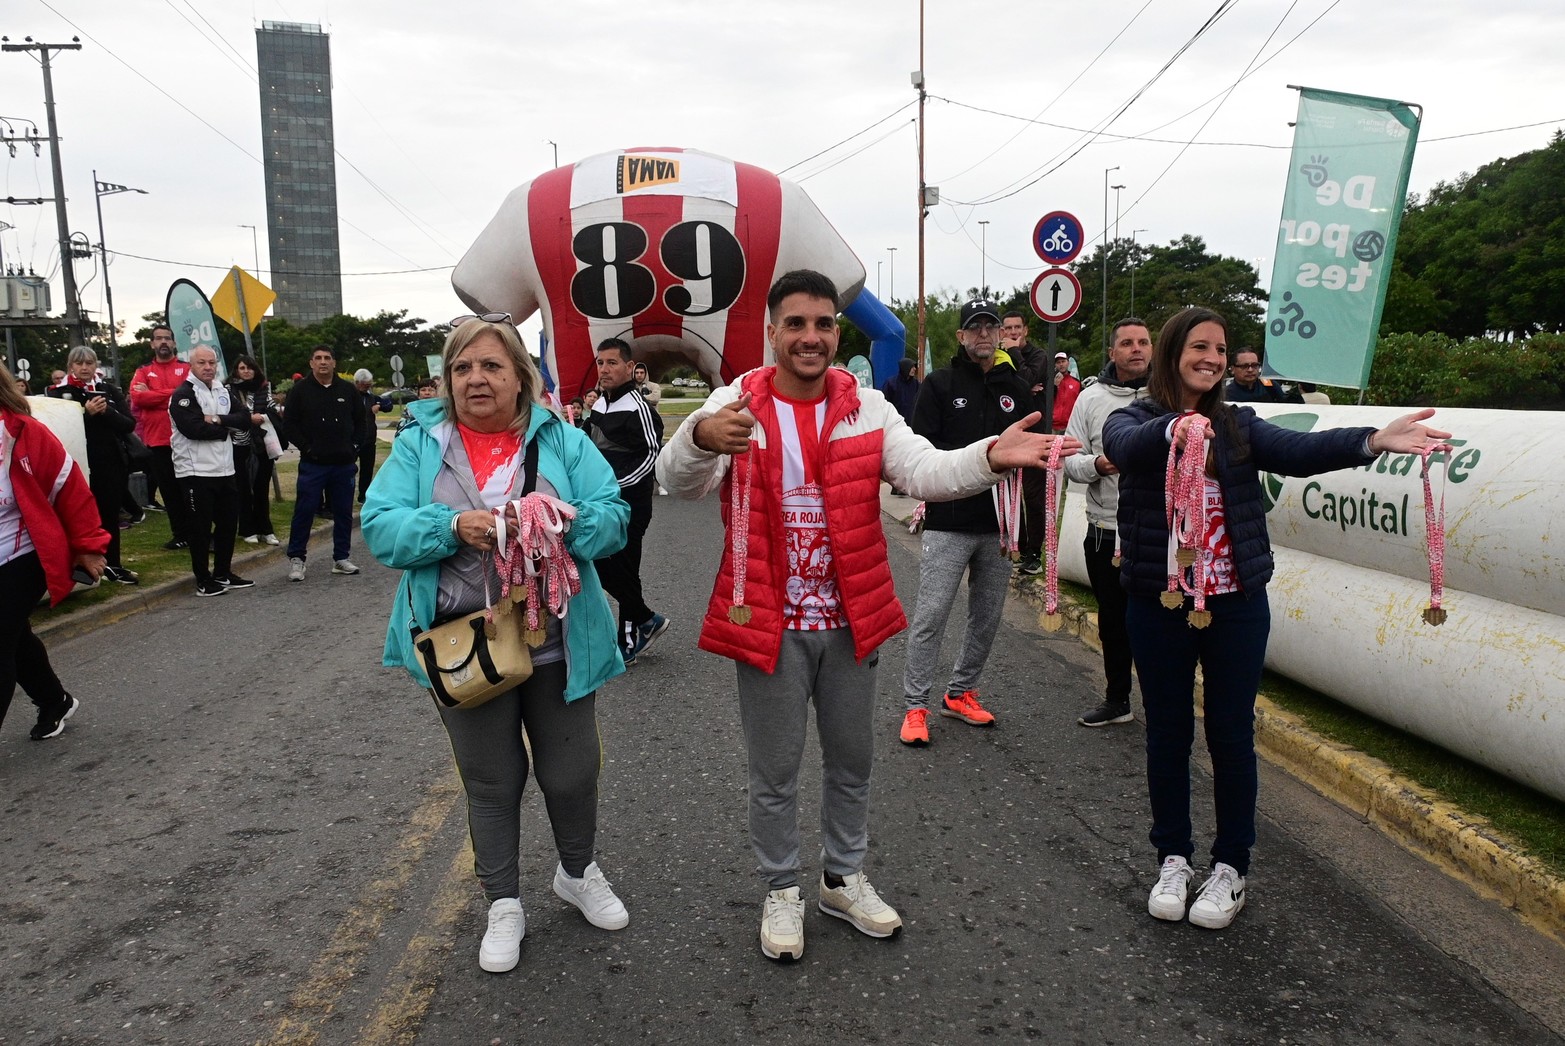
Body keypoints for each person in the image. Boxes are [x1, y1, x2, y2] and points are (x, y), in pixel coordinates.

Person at [656, 270, 1079, 962]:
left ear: (836, 333)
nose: (811, 337)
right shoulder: (736, 402)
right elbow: (679, 483)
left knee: (852, 762)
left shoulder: (868, 408)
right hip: (767, 618)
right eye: (795, 323)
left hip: (851, 618)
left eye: (823, 324)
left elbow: (926, 473)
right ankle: (781, 888)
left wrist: (990, 457)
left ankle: (841, 878)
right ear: (771, 332)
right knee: (775, 771)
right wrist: (700, 434)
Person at [1102, 306, 1450, 931]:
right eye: (1199, 347)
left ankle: (1231, 866)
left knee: (1231, 735)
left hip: (1235, 605)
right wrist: (1178, 431)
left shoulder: (1238, 424)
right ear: (1171, 352)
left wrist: (1372, 440)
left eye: (1221, 348)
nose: (1212, 358)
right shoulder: (1137, 418)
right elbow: (1124, 448)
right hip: (1161, 603)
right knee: (1167, 734)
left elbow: (1301, 450)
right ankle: (1174, 858)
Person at [362, 315, 632, 974]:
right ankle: (503, 902)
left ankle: (577, 872)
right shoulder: (420, 446)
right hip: (465, 646)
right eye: (461, 368)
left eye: (490, 366)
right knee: (492, 780)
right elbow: (380, 526)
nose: (475, 379)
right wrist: (452, 525)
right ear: (447, 381)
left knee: (570, 775)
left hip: (557, 640)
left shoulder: (563, 440)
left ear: (520, 377)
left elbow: (613, 518)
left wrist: (560, 521)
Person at [898, 297, 1041, 746]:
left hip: (1000, 525)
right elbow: (922, 450)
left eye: (990, 327)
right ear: (961, 336)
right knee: (932, 615)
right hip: (949, 521)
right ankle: (915, 706)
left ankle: (960, 693)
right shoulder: (939, 384)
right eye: (974, 327)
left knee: (987, 616)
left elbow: (1035, 448)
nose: (983, 334)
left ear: (1002, 334)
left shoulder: (1015, 388)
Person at [1, 361, 110, 740]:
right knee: (14, 638)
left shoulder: (23, 432)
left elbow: (70, 489)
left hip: (20, 555)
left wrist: (88, 547)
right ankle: (54, 700)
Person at [1062, 318, 1152, 728]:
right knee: (1113, 621)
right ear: (1112, 352)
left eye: (1144, 342)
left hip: (1157, 532)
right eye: (1127, 343)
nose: (1137, 349)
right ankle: (1118, 699)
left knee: (1156, 624)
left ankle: (1162, 703)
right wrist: (1097, 465)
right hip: (1105, 530)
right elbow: (1069, 459)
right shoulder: (1090, 398)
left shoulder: (1170, 392)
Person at [583, 338, 668, 665]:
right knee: (600, 562)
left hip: (630, 504)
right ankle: (646, 620)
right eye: (601, 363)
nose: (604, 369)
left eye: (612, 363)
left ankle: (631, 638)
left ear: (630, 368)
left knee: (624, 569)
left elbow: (651, 456)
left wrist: (613, 487)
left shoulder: (639, 407)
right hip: (602, 503)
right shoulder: (601, 403)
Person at [46, 347, 140, 584]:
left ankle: (113, 564)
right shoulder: (57, 392)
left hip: (109, 461)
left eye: (89, 363)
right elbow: (56, 429)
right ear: (71, 366)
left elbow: (129, 424)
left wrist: (106, 411)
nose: (84, 368)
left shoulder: (108, 390)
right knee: (80, 517)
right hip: (76, 462)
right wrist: (86, 414)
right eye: (79, 364)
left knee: (109, 515)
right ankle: (81, 565)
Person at [170, 346, 257, 597]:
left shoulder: (223, 390)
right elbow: (193, 429)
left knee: (229, 524)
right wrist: (224, 430)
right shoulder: (183, 394)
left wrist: (217, 419)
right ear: (191, 365)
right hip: (195, 472)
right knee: (199, 528)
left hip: (225, 469)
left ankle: (223, 572)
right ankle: (203, 578)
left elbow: (244, 418)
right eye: (202, 363)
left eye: (212, 362)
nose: (208, 367)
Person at [283, 345, 368, 581]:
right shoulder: (300, 391)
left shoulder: (348, 390)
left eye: (327, 358)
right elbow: (289, 424)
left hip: (343, 464)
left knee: (343, 512)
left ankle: (341, 558)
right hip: (313, 464)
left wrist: (353, 448)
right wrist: (307, 447)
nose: (323, 362)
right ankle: (297, 559)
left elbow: (361, 424)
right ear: (311, 363)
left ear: (334, 363)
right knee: (305, 510)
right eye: (318, 358)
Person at [130, 324, 194, 550]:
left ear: (174, 343)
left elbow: (192, 395)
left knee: (191, 490)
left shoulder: (187, 368)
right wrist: (175, 393)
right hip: (158, 442)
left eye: (167, 338)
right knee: (169, 491)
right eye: (159, 339)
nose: (163, 342)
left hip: (187, 439)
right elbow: (137, 399)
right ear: (152, 344)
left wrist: (154, 395)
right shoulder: (144, 370)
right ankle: (180, 534)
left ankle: (198, 532)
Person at [1000, 311, 1052, 576]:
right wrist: (1022, 387)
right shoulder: (999, 357)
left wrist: (1016, 357)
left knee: (1033, 496)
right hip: (1007, 434)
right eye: (1007, 328)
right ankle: (1015, 547)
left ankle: (1034, 553)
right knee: (1007, 494)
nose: (1012, 332)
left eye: (1017, 327)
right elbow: (1008, 388)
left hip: (1034, 435)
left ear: (1025, 330)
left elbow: (1028, 379)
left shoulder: (1038, 355)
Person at [228, 355, 283, 545]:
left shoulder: (263, 386)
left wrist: (267, 413)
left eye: (249, 368)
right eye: (242, 368)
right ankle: (247, 529)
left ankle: (265, 529)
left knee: (261, 487)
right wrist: (248, 418)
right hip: (239, 443)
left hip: (262, 442)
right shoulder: (229, 389)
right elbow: (229, 414)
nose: (246, 371)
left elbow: (271, 407)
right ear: (236, 370)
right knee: (243, 488)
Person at [354, 369, 393, 503]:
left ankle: (363, 495)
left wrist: (380, 406)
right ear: (358, 383)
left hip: (369, 439)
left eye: (369, 385)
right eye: (365, 385)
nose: (368, 387)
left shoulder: (371, 397)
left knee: (367, 469)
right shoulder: (351, 396)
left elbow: (389, 405)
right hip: (352, 439)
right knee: (349, 469)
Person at [1224, 346, 1304, 404]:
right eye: (1245, 366)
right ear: (1233, 369)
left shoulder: (1270, 386)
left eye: (1254, 365)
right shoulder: (1225, 395)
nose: (1250, 370)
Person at [1052, 351, 1083, 431]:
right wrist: (1055, 386)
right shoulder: (1050, 382)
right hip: (1053, 426)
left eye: (1063, 361)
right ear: (1055, 365)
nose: (1061, 364)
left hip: (1070, 426)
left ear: (1068, 363)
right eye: (1058, 362)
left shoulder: (1076, 383)